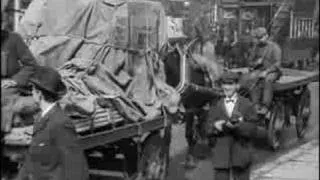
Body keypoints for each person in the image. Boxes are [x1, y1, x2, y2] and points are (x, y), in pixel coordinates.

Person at [16, 66, 89, 180]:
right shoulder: (42, 117)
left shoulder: (60, 123)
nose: (31, 93)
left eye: (32, 89)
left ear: (39, 93)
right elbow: (32, 159)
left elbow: (76, 168)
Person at [206, 71, 267, 180]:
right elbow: (206, 128)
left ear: (237, 86)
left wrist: (238, 126)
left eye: (230, 84)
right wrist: (215, 126)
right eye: (224, 84)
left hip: (240, 154)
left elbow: (253, 129)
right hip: (221, 155)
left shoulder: (246, 104)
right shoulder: (215, 104)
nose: (227, 87)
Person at [1, 0, 39, 132]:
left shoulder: (14, 39)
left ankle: (4, 130)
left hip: (8, 86)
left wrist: (15, 81)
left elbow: (31, 65)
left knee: (4, 97)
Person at [249, 27, 282, 115]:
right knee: (252, 78)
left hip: (273, 71)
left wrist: (266, 72)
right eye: (258, 38)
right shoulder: (256, 48)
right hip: (259, 70)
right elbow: (250, 62)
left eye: (261, 37)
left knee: (268, 79)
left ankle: (265, 105)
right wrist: (256, 62)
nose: (260, 40)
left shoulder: (274, 47)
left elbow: (277, 64)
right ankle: (255, 104)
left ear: (266, 36)